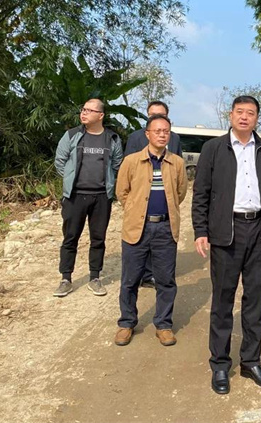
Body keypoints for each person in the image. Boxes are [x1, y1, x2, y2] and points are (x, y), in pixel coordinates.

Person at [192, 95, 261, 395]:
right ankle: (220, 364)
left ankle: (251, 361)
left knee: (255, 300)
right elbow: (201, 193)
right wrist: (200, 230)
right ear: (231, 115)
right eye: (240, 112)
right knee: (223, 300)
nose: (245, 117)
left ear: (257, 118)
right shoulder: (213, 149)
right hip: (226, 231)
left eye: (251, 113)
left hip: (259, 231)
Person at [114, 114, 188, 347]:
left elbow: (180, 192)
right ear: (147, 134)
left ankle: (163, 325)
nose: (162, 135)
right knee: (130, 279)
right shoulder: (131, 161)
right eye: (157, 131)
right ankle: (126, 323)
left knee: (166, 280)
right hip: (137, 227)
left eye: (166, 131)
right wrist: (136, 210)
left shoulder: (177, 163)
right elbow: (122, 192)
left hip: (165, 228)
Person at [53, 98, 123, 297]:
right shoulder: (71, 135)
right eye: (83, 109)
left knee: (98, 238)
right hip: (75, 196)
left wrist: (108, 184)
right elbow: (60, 161)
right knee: (70, 237)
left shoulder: (112, 139)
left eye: (89, 110)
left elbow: (117, 164)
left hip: (101, 197)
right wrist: (71, 180)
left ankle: (95, 277)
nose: (84, 113)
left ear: (100, 115)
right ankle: (66, 278)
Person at [124, 100, 183, 289]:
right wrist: (134, 204)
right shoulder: (135, 138)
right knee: (132, 269)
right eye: (152, 114)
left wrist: (170, 200)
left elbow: (180, 189)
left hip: (165, 215)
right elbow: (123, 188)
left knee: (164, 269)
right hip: (139, 208)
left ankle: (154, 276)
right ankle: (143, 276)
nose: (161, 134)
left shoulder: (174, 139)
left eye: (162, 115)